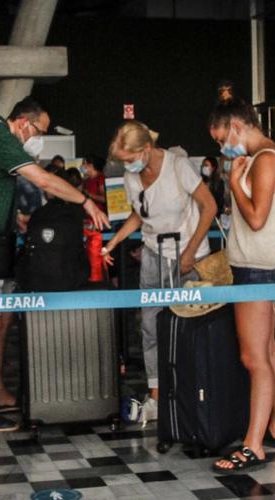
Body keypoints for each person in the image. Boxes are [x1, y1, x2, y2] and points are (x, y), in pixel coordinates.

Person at [0, 97, 109, 434]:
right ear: (23, 121)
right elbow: (45, 181)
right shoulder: (0, 140)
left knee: (1, 322)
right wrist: (84, 201)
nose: (39, 136)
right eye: (40, 130)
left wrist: (18, 218)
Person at [101, 121, 217, 423]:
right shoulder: (132, 177)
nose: (127, 166)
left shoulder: (178, 166)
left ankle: (194, 392)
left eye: (129, 159)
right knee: (151, 328)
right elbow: (140, 216)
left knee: (190, 327)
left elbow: (210, 206)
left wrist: (191, 251)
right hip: (153, 255)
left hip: (188, 256)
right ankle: (156, 395)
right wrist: (114, 241)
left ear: (146, 149)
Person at [207, 99, 275, 473]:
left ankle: (253, 445)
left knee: (253, 358)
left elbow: (257, 218)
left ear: (238, 126)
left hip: (257, 268)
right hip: (262, 265)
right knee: (269, 351)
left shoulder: (266, 160)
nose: (222, 147)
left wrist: (232, 184)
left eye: (222, 137)